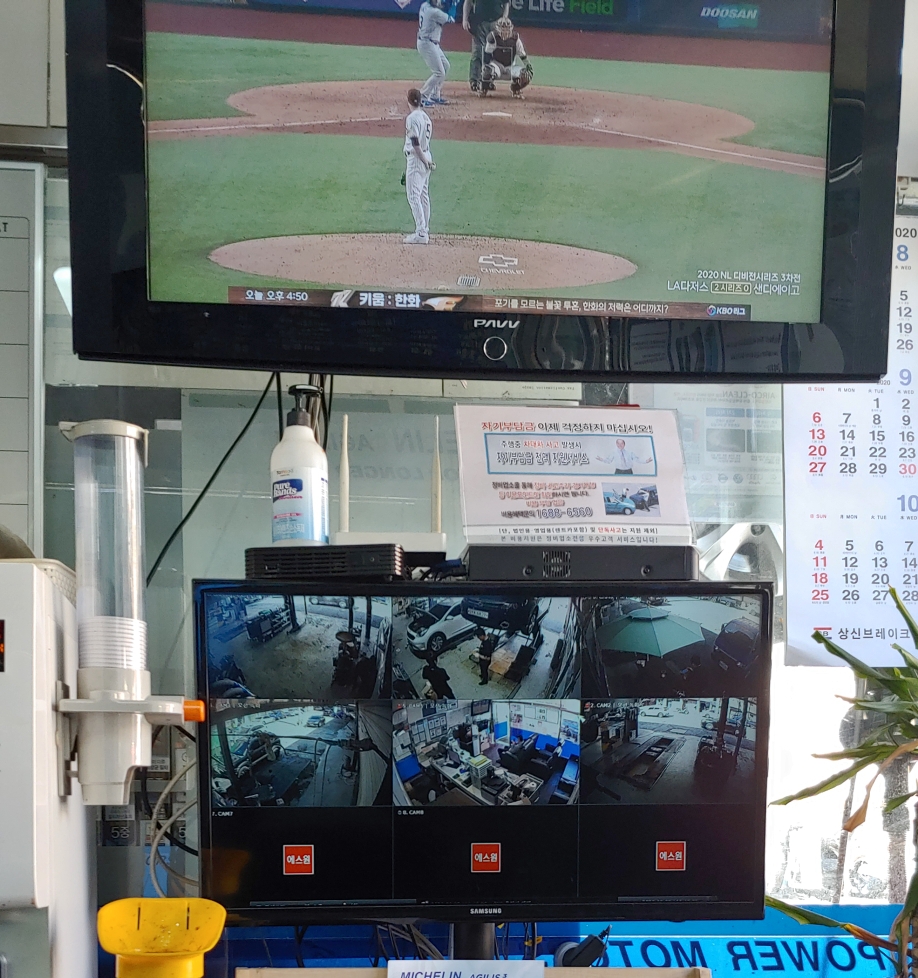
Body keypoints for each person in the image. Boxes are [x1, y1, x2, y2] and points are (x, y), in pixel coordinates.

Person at [402, 89, 435, 244]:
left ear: (408, 100)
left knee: (414, 196)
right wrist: (427, 160)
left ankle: (421, 233)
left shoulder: (411, 118)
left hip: (417, 158)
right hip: (426, 154)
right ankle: (425, 229)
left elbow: (415, 144)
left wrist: (423, 161)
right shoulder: (426, 118)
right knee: (423, 195)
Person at [462, 0, 509, 93]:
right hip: (479, 22)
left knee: (493, 54)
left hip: (496, 23)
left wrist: (504, 18)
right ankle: (474, 81)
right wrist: (465, 19)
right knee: (478, 51)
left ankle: (488, 80)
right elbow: (468, 2)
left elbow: (506, 4)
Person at [481, 17, 533, 99]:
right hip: (496, 66)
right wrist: (485, 69)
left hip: (510, 66)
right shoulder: (493, 37)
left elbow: (522, 55)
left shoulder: (515, 38)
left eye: (506, 28)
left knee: (525, 74)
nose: (504, 31)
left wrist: (528, 66)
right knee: (487, 70)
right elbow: (487, 55)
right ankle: (484, 89)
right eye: (502, 28)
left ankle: (515, 89)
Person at [417, 0, 453, 106]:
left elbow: (440, 8)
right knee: (439, 73)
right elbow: (450, 19)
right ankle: (423, 97)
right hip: (427, 43)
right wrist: (453, 6)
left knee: (445, 66)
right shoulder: (433, 12)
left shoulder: (425, 5)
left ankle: (434, 95)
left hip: (431, 43)